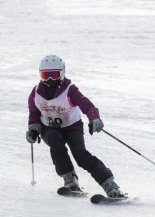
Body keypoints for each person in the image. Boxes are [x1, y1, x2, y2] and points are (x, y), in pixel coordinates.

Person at [25, 53, 125, 198]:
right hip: (49, 127)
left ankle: (110, 185)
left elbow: (86, 105)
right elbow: (34, 114)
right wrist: (33, 130)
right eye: (46, 75)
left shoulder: (69, 90)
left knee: (80, 154)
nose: (50, 79)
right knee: (55, 142)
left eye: (54, 75)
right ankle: (70, 180)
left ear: (62, 73)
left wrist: (94, 118)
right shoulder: (35, 94)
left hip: (72, 127)